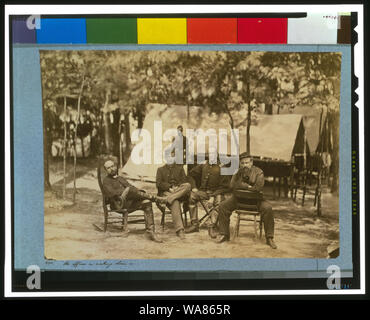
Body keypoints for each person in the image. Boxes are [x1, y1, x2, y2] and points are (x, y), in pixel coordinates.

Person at [215, 153, 277, 249]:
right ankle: (224, 234)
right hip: (238, 199)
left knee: (268, 208)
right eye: (242, 163)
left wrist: (241, 185)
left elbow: (257, 188)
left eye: (247, 163)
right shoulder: (237, 172)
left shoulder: (259, 172)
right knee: (223, 206)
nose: (244, 165)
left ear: (251, 162)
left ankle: (269, 238)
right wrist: (247, 186)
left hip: (255, 201)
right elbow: (231, 186)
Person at [102, 160, 163, 243]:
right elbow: (111, 193)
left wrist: (136, 192)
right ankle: (154, 198)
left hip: (129, 203)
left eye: (112, 166)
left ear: (115, 166)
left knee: (147, 202)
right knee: (130, 190)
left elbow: (131, 187)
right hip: (118, 204)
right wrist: (125, 191)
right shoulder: (106, 181)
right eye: (108, 168)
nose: (111, 169)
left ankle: (151, 231)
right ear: (106, 170)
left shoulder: (120, 178)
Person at [186, 155, 230, 236]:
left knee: (219, 202)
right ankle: (194, 224)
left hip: (217, 193)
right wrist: (194, 187)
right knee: (192, 196)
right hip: (203, 192)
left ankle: (211, 226)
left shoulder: (223, 167)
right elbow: (190, 175)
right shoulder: (203, 165)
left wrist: (213, 196)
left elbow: (225, 187)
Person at [156, 156, 192, 239]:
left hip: (178, 192)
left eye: (172, 157)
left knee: (188, 185)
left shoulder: (180, 169)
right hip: (166, 192)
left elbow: (184, 182)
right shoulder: (160, 169)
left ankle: (168, 199)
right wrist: (169, 188)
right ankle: (180, 230)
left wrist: (177, 188)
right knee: (175, 201)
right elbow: (158, 184)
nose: (170, 159)